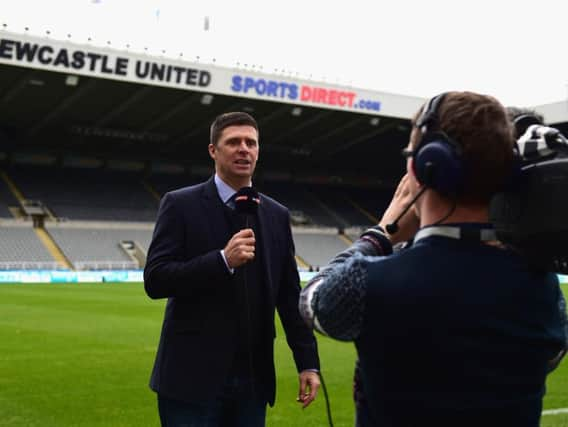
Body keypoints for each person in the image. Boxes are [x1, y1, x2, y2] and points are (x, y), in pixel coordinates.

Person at [299, 91, 567, 427]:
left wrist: (382, 233)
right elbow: (550, 356)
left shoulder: (372, 285)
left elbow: (313, 299)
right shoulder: (542, 292)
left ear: (425, 166)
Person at [145, 111, 320, 426]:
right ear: (213, 150)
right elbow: (155, 280)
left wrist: (308, 362)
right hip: (190, 382)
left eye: (251, 143)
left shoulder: (276, 215)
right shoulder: (179, 204)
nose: (244, 149)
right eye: (234, 142)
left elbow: (288, 295)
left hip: (252, 382)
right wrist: (221, 261)